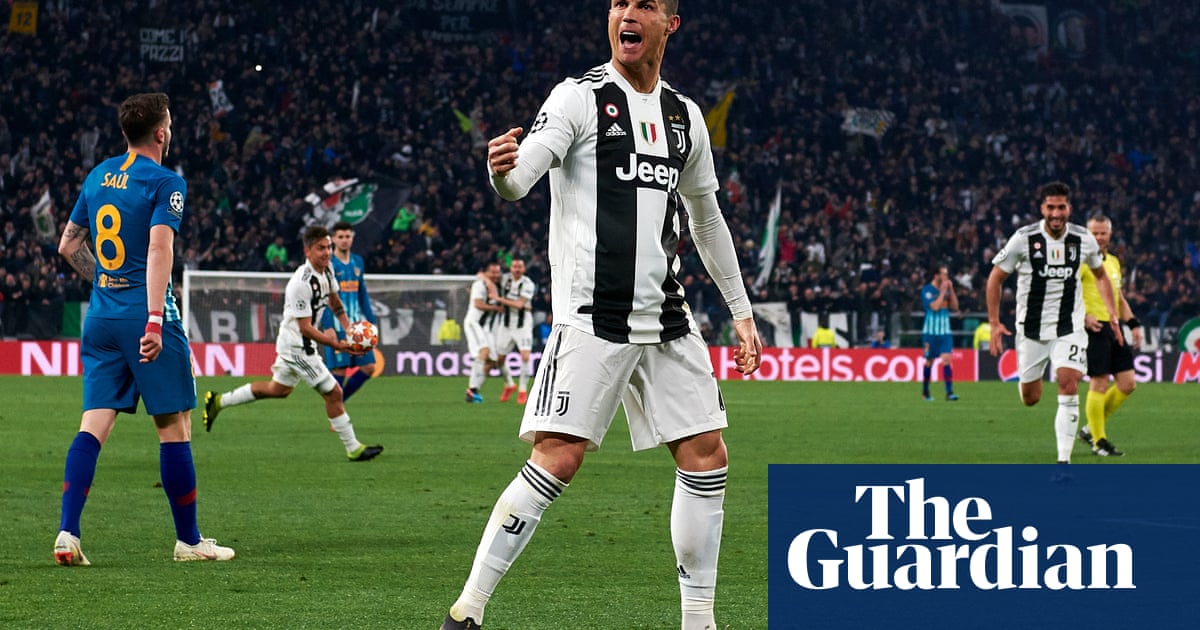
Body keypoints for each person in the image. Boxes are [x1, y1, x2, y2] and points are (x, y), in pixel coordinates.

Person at [439, 1, 764, 628]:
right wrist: (500, 172)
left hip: (666, 318)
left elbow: (706, 218)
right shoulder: (578, 98)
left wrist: (741, 312)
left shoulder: (684, 116)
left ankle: (699, 621)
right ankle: (467, 610)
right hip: (593, 316)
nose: (626, 14)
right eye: (618, 3)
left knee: (707, 454)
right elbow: (520, 181)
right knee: (558, 455)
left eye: (643, 4)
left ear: (669, 22)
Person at [53, 92, 234, 565]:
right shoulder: (166, 182)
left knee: (93, 424)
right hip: (147, 316)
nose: (170, 130)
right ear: (160, 132)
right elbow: (158, 249)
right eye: (169, 123)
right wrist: (153, 319)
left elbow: (68, 246)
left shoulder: (98, 175)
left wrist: (107, 284)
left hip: (101, 315)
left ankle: (68, 533)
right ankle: (189, 542)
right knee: (174, 427)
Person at [202, 226, 383, 462]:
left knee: (278, 390)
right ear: (308, 251)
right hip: (298, 348)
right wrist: (336, 344)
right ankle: (353, 448)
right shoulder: (300, 283)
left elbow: (336, 303)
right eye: (321, 248)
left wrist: (349, 330)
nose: (327, 252)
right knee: (333, 392)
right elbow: (305, 327)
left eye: (329, 247)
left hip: (297, 343)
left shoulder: (328, 269)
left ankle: (218, 401)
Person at [986, 181, 1123, 464]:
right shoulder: (1023, 238)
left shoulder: (1083, 238)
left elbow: (1100, 275)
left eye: (1061, 207)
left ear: (1069, 208)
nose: (1056, 213)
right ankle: (1027, 382)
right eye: (1051, 207)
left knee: (1068, 382)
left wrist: (1112, 312)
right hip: (1031, 330)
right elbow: (995, 278)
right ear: (1042, 208)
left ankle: (1064, 462)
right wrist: (994, 322)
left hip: (1069, 327)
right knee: (1031, 398)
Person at [1077, 214, 1143, 456]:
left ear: (1110, 234)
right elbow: (1067, 294)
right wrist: (1084, 316)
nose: (1099, 237)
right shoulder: (1081, 261)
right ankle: (1099, 441)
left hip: (1114, 327)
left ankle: (1090, 430)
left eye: (1103, 233)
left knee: (1128, 383)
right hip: (1093, 328)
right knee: (1100, 382)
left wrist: (1133, 323)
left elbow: (1118, 297)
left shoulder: (1113, 262)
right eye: (1094, 233)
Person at [322, 221, 378, 402]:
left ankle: (338, 403)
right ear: (333, 240)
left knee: (369, 367)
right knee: (340, 370)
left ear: (352, 238)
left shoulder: (358, 262)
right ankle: (336, 408)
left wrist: (372, 321)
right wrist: (327, 326)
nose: (344, 240)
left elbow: (362, 293)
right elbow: (324, 298)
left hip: (357, 327)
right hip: (337, 326)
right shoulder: (328, 264)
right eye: (340, 237)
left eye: (347, 236)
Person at [490, 257, 537, 404]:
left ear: (524, 269)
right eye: (515, 266)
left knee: (525, 356)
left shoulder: (528, 284)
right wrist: (482, 276)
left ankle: (522, 391)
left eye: (520, 267)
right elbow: (490, 278)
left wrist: (499, 299)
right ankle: (509, 384)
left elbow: (519, 304)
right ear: (511, 268)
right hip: (505, 325)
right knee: (499, 360)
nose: (517, 269)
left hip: (522, 325)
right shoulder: (505, 279)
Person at [462, 260, 503, 403]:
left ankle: (473, 391)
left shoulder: (497, 286)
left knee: (491, 361)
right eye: (492, 272)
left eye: (497, 272)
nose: (495, 275)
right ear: (485, 272)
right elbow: (478, 304)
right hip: (474, 323)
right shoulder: (479, 285)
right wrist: (496, 308)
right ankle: (472, 390)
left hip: (486, 328)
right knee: (484, 351)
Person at [920, 265, 959, 401]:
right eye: (944, 274)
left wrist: (951, 290)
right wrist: (943, 292)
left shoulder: (947, 290)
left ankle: (949, 392)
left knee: (947, 359)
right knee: (929, 362)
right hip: (930, 333)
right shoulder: (927, 290)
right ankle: (925, 392)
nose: (946, 277)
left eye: (947, 274)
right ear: (936, 275)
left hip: (945, 332)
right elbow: (935, 307)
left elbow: (955, 307)